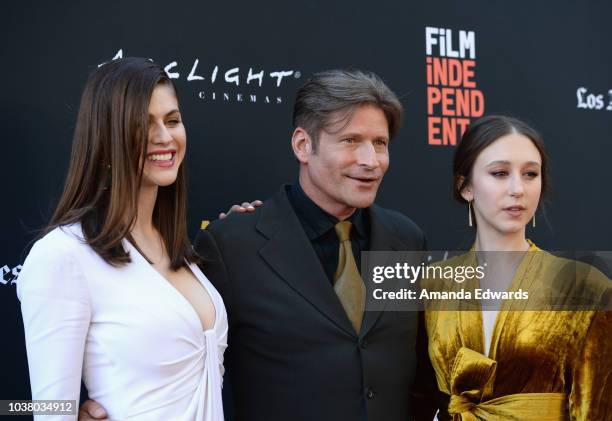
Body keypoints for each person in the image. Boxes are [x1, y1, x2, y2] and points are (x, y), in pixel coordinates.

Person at [18, 57, 228, 421]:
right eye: (141, 124)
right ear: (106, 135)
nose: (165, 137)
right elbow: (44, 410)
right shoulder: (63, 256)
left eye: (172, 120)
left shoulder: (178, 249)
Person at [423, 115, 611, 420]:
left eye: (530, 174)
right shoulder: (434, 284)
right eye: (499, 173)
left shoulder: (584, 287)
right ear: (465, 186)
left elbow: (598, 410)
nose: (517, 188)